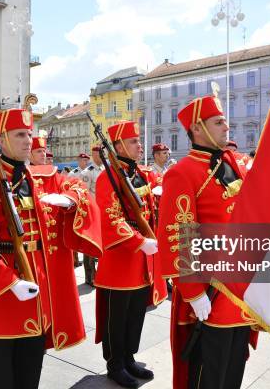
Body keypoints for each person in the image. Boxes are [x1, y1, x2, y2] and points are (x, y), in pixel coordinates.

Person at [0, 108, 102, 389]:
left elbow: (77, 187)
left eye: (29, 134)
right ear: (1, 140)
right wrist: (8, 281)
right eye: (20, 135)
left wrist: (71, 200)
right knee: (2, 377)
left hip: (39, 291)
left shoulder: (36, 179)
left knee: (30, 373)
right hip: (2, 293)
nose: (28, 140)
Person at [157, 95, 258, 389]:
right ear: (197, 128)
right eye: (218, 122)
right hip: (212, 289)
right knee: (210, 370)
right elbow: (180, 232)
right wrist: (193, 291)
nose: (227, 126)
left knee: (234, 364)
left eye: (224, 120)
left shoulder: (235, 163)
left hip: (242, 284)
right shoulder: (183, 172)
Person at [94, 120, 167, 388]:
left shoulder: (143, 174)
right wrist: (138, 241)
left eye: (138, 140)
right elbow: (111, 218)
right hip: (121, 257)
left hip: (143, 256)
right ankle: (115, 363)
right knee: (118, 315)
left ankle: (129, 357)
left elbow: (154, 200)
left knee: (137, 311)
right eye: (134, 141)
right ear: (119, 146)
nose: (139, 145)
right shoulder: (107, 177)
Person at [79, 145, 104, 285]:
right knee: (90, 245)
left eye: (102, 153)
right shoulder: (88, 172)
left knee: (101, 245)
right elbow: (84, 194)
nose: (100, 156)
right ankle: (90, 276)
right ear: (93, 155)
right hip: (92, 213)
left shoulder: (105, 170)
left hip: (103, 213)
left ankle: (99, 273)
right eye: (98, 153)